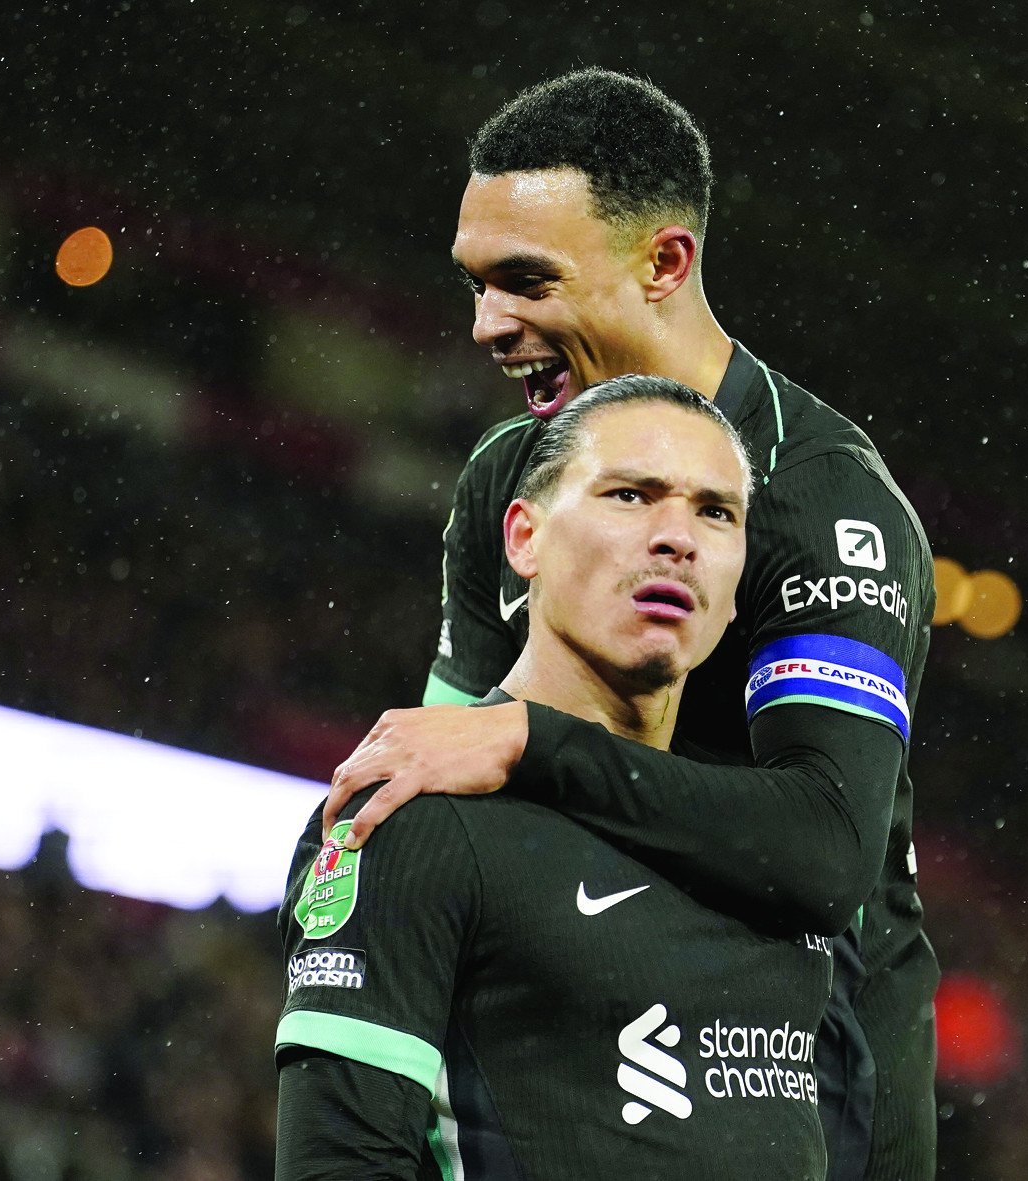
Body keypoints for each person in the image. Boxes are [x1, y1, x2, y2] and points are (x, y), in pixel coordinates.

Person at [324, 69, 939, 1181]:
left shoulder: (822, 501)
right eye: (473, 284)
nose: (485, 324)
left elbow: (819, 851)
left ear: (663, 263)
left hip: (801, 1096)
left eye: (524, 281)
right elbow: (427, 778)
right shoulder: (509, 476)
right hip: (575, 1065)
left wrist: (528, 741)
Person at [274, 377, 832, 1179]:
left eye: (716, 511)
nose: (678, 536)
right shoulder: (415, 812)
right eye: (630, 495)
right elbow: (340, 1164)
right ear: (524, 538)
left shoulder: (770, 844)